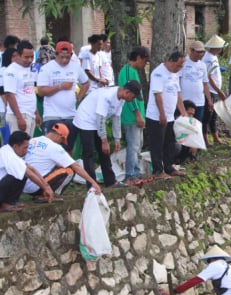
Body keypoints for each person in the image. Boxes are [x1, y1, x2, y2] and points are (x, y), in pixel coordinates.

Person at [71, 81, 142, 188]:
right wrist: (104, 141)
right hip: (86, 120)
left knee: (104, 152)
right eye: (133, 97)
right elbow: (100, 120)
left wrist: (117, 138)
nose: (133, 99)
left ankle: (110, 181)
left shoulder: (121, 99)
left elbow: (116, 119)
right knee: (89, 153)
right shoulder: (107, 96)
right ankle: (92, 185)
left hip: (97, 121)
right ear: (127, 92)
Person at [24, 123, 101, 201]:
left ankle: (42, 193)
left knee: (59, 166)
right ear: (59, 136)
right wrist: (93, 182)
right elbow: (76, 166)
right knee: (70, 170)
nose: (60, 142)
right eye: (61, 140)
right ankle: (46, 195)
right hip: (36, 186)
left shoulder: (34, 140)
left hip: (24, 184)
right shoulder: (55, 147)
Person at [146, 51, 187, 179]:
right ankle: (158, 170)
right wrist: (162, 114)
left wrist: (183, 111)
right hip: (157, 116)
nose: (179, 69)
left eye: (181, 66)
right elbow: (157, 94)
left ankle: (169, 167)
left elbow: (178, 93)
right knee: (157, 144)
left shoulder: (175, 74)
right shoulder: (158, 73)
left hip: (170, 116)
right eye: (178, 65)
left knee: (170, 143)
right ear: (170, 61)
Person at [37, 41, 90, 136]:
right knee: (53, 146)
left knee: (68, 148)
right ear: (56, 54)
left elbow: (86, 83)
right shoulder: (47, 68)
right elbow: (41, 91)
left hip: (70, 115)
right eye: (62, 57)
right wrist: (60, 86)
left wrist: (79, 96)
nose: (64, 60)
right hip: (52, 115)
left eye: (68, 57)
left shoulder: (75, 67)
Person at [118, 46, 149, 184]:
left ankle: (135, 171)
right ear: (139, 58)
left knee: (138, 144)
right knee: (133, 145)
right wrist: (137, 114)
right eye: (145, 61)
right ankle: (131, 174)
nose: (144, 65)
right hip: (131, 117)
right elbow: (129, 95)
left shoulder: (131, 71)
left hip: (136, 116)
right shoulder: (128, 72)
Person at [0, 131, 54, 211]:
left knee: (22, 173)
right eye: (25, 148)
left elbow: (31, 168)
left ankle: (10, 202)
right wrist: (45, 188)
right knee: (20, 175)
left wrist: (47, 186)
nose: (26, 150)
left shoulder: (11, 152)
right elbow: (29, 174)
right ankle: (4, 205)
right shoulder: (8, 154)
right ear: (15, 146)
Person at [4, 40, 40, 137]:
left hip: (30, 113)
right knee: (20, 149)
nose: (29, 60)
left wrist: (36, 113)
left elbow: (30, 91)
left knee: (27, 147)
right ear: (18, 55)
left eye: (32, 57)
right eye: (26, 57)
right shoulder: (11, 71)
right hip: (19, 115)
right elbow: (9, 95)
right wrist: (19, 118)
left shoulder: (29, 69)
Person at [202, 35, 227, 146]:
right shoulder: (208, 58)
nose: (221, 50)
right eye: (219, 48)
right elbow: (209, 77)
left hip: (215, 90)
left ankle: (215, 137)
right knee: (208, 115)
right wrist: (219, 90)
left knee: (214, 115)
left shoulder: (213, 57)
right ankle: (205, 139)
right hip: (211, 90)